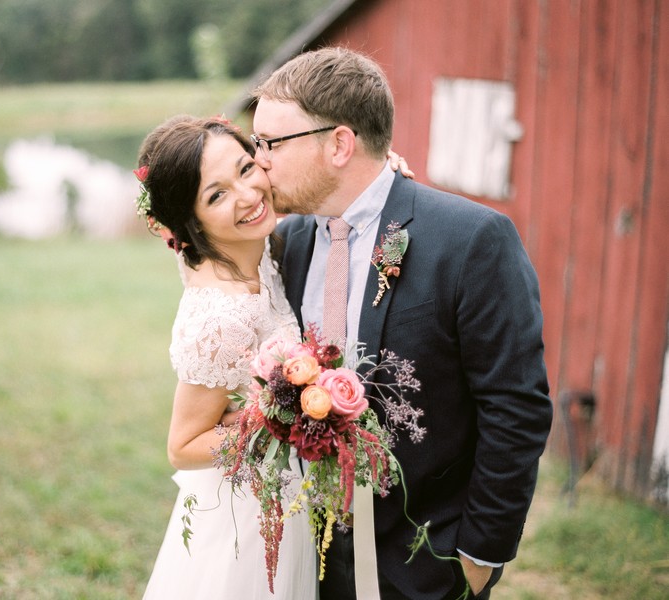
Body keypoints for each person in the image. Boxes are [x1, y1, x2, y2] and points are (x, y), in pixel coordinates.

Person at [251, 47, 553, 600]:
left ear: (339, 144)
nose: (259, 160)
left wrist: (480, 553)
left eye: (270, 143)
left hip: (426, 559)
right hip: (306, 552)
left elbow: (516, 404)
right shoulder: (287, 244)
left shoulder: (469, 240)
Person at [137, 115, 413, 599]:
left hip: (292, 499)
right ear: (190, 221)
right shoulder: (219, 315)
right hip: (248, 520)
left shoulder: (253, 246)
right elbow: (183, 445)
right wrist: (285, 415)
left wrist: (375, 177)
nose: (246, 196)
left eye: (246, 169)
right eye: (215, 195)